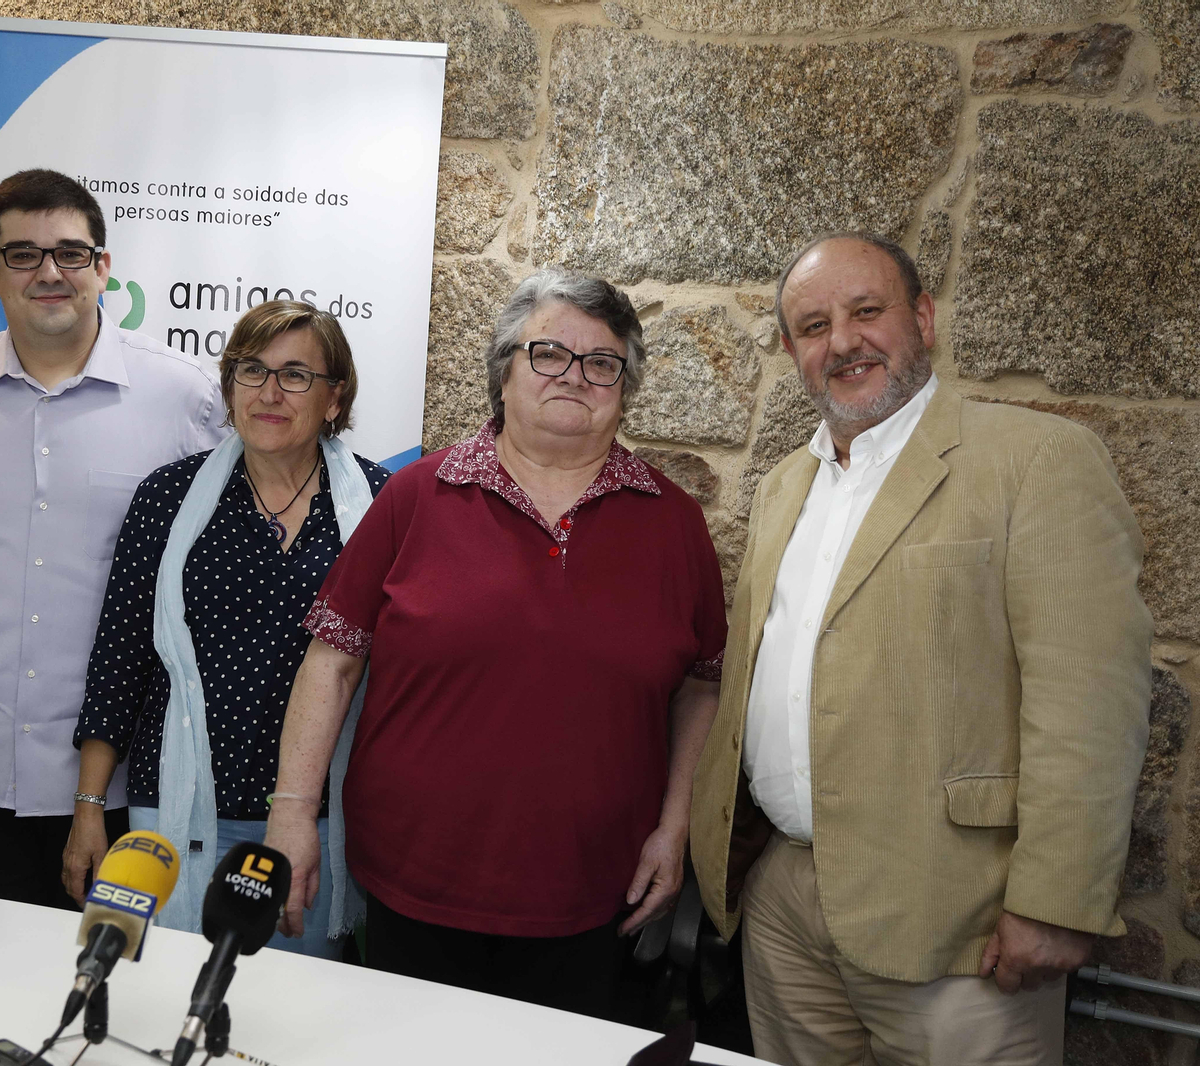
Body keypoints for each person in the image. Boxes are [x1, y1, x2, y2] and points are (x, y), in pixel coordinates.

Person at [689, 233, 1152, 1065]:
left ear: (924, 318)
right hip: (785, 901)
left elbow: (1089, 698)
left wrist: (1055, 901)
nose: (843, 341)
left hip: (956, 913)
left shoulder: (1036, 460)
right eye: (814, 325)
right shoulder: (784, 487)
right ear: (794, 351)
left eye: (868, 311)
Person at [263, 269, 727, 1018]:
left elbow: (702, 683)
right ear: (504, 373)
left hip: (591, 894)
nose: (574, 375)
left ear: (623, 386)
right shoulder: (416, 496)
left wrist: (676, 829)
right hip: (414, 884)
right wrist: (291, 815)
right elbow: (334, 659)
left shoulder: (674, 524)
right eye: (548, 353)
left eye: (601, 362)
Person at [0, 169, 226, 909]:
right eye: (21, 255)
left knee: (107, 995)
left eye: (71, 253)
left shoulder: (182, 397)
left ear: (104, 268)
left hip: (119, 783)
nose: (50, 272)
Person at [62, 301, 389, 956]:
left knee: (289, 1023)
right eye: (250, 370)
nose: (268, 392)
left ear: (334, 398)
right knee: (158, 1005)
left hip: (314, 823)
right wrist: (90, 808)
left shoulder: (384, 507)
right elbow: (118, 658)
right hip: (168, 814)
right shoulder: (167, 497)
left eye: (295, 375)